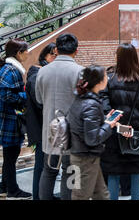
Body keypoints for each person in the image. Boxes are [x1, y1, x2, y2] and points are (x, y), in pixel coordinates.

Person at [100, 43, 139, 200]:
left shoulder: (109, 78)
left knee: (113, 172)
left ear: (118, 57)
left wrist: (114, 123)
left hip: (113, 132)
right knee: (135, 171)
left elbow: (104, 104)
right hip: (135, 134)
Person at [35, 33, 83, 200]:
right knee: (71, 171)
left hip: (50, 129)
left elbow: (39, 99)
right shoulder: (80, 72)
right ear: (76, 50)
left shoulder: (43, 71)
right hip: (73, 131)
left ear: (56, 49)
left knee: (48, 170)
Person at [68, 65, 122, 200]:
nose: (107, 78)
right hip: (85, 159)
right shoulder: (91, 104)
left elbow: (87, 126)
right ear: (98, 82)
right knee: (81, 196)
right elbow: (92, 138)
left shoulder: (83, 99)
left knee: (101, 194)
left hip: (85, 156)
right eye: (105, 76)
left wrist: (105, 120)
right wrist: (109, 125)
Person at [0, 39, 31, 200]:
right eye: (26, 50)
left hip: (10, 118)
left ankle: (5, 186)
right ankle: (12, 190)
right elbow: (6, 95)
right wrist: (27, 95)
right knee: (11, 156)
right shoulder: (10, 70)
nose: (28, 53)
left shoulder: (11, 68)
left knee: (9, 155)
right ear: (18, 53)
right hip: (10, 118)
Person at [25, 42, 57, 200]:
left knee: (46, 165)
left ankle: (45, 195)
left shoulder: (41, 73)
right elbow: (40, 102)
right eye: (52, 55)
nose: (55, 59)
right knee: (41, 165)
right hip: (41, 127)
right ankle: (38, 196)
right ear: (44, 55)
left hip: (45, 126)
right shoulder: (37, 74)